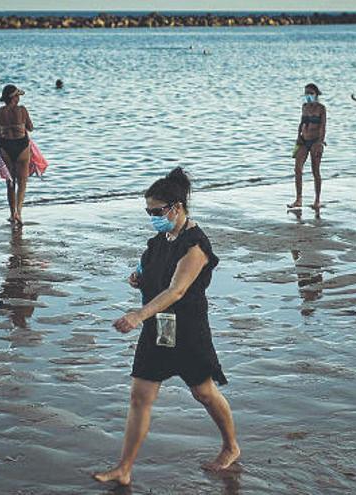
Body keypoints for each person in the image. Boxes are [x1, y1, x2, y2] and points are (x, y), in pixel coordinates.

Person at [93, 167, 239, 486]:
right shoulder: (162, 238)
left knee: (203, 392)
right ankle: (124, 468)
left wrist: (137, 315)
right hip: (158, 327)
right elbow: (154, 275)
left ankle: (231, 446)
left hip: (187, 329)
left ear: (177, 206)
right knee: (140, 396)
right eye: (148, 212)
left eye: (157, 211)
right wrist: (139, 279)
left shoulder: (195, 245)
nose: (153, 217)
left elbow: (177, 290)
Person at [0, 84, 34, 225]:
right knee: (22, 183)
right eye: (18, 95)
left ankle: (11, 214)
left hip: (6, 147)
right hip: (22, 146)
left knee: (10, 182)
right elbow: (30, 127)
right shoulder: (22, 110)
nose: (19, 98)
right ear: (14, 97)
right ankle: (19, 213)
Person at [289, 83, 327, 210]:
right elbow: (302, 122)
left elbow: (323, 127)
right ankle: (298, 199)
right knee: (297, 169)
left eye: (311, 93)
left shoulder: (321, 109)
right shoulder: (304, 107)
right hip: (304, 140)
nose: (308, 96)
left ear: (316, 94)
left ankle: (317, 200)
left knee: (315, 170)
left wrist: (320, 142)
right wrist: (298, 136)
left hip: (315, 141)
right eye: (306, 93)